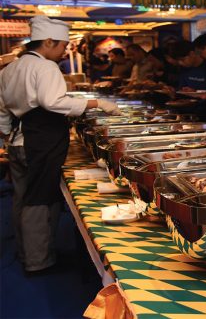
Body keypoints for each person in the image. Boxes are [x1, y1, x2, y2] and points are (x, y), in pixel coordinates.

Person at [0, 16, 121, 273]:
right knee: (39, 199)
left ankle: (27, 252)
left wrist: (6, 135)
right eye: (63, 46)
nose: (64, 51)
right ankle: (38, 261)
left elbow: (2, 108)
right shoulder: (46, 67)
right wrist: (97, 103)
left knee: (23, 197)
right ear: (48, 41)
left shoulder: (10, 68)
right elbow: (52, 102)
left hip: (19, 141)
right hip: (39, 142)